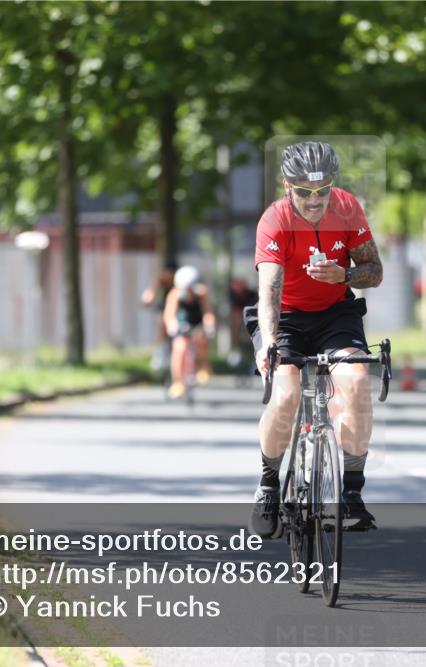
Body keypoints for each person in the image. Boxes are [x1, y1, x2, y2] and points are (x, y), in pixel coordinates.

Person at [245, 140, 383, 537]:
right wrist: (269, 341)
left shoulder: (347, 208)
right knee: (285, 394)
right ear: (288, 187)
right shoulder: (274, 220)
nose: (314, 200)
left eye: (322, 191)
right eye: (304, 192)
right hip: (284, 316)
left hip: (335, 313)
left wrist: (345, 276)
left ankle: (352, 493)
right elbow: (269, 288)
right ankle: (269, 485)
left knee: (356, 383)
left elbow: (373, 269)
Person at [162, 265, 215, 400]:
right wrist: (172, 325)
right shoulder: (175, 294)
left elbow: (207, 312)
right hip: (181, 324)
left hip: (196, 323)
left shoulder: (201, 293)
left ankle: (203, 366)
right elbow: (169, 314)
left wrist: (209, 325)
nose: (188, 292)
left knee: (202, 340)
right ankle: (178, 382)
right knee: (179, 348)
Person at [141, 260, 178, 373]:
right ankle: (161, 351)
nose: (169, 275)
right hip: (164, 307)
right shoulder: (161, 279)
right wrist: (147, 298)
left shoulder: (180, 281)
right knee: (162, 323)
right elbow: (151, 291)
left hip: (179, 307)